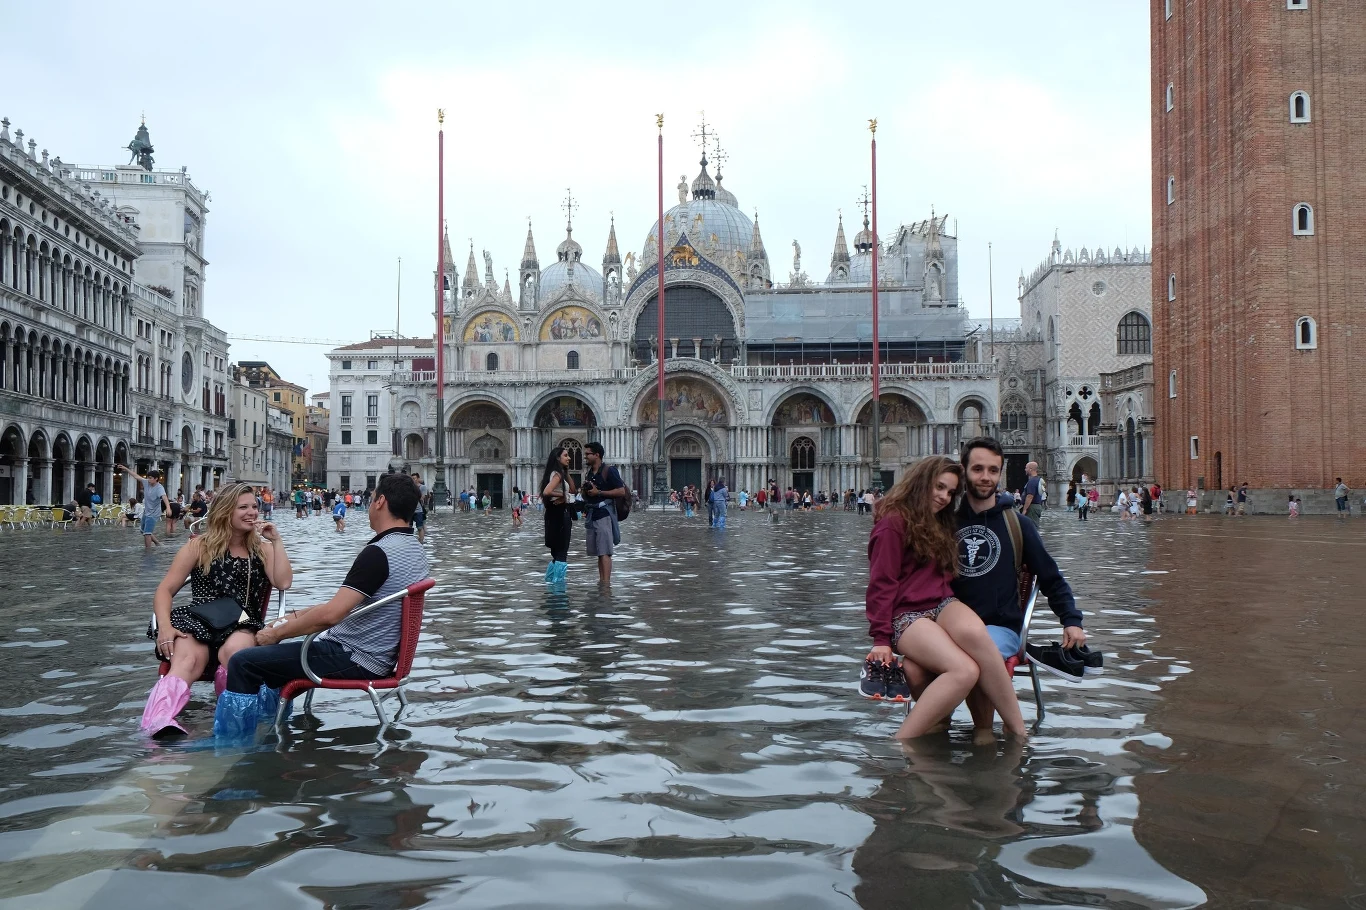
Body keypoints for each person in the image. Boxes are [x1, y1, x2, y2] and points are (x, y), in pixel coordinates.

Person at [212, 472, 428, 739]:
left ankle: (234, 744)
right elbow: (342, 606)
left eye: (372, 498)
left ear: (380, 501)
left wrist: (276, 633)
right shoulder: (414, 547)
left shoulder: (378, 553)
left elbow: (332, 615)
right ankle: (267, 726)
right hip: (375, 654)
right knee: (271, 659)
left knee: (243, 662)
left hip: (354, 657)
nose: (371, 504)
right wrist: (292, 618)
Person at [910, 437, 1087, 732]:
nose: (985, 477)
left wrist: (1071, 620)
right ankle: (938, 727)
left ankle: (984, 735)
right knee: (912, 668)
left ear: (1000, 473)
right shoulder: (943, 523)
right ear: (963, 470)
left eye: (993, 470)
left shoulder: (1019, 525)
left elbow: (1051, 577)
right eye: (978, 469)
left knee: (980, 654)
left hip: (999, 628)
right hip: (946, 628)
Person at [863, 455, 1028, 740]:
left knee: (978, 637)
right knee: (965, 670)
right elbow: (881, 583)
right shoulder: (892, 523)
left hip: (942, 603)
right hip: (907, 615)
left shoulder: (941, 520)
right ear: (921, 482)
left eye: (950, 492)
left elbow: (982, 508)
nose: (943, 497)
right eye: (938, 487)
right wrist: (880, 639)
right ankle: (903, 741)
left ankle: (1018, 731)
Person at [139, 483, 293, 738]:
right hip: (199, 620)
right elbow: (164, 590)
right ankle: (160, 722)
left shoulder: (262, 549)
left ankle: (229, 721)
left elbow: (283, 582)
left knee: (234, 654)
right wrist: (165, 627)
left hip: (242, 621)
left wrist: (276, 541)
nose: (252, 512)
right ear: (225, 511)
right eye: (243, 507)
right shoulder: (199, 546)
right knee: (187, 659)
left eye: (254, 506)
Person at [582, 441, 626, 584]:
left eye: (588, 454)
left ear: (597, 455)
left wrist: (599, 492)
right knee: (598, 553)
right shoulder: (590, 473)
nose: (585, 457)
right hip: (592, 515)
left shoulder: (610, 471)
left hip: (605, 514)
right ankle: (601, 582)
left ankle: (606, 586)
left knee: (605, 551)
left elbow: (621, 491)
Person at [541, 447, 577, 584]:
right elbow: (547, 492)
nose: (569, 458)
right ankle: (559, 590)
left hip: (553, 514)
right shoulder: (557, 475)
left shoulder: (557, 473)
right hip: (561, 514)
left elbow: (573, 489)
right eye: (566, 455)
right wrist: (563, 495)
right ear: (557, 458)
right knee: (562, 551)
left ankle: (551, 584)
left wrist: (566, 472)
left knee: (556, 554)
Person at [117, 465, 168, 550]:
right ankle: (157, 543)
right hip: (146, 511)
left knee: (147, 533)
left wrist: (168, 508)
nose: (148, 479)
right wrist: (126, 469)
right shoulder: (146, 482)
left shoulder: (159, 488)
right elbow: (136, 476)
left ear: (156, 479)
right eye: (148, 478)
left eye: (151, 478)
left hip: (154, 513)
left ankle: (148, 551)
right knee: (142, 530)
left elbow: (164, 497)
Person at [409, 473, 427, 542]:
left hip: (418, 510)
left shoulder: (422, 487)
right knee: (408, 527)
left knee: (420, 527)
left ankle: (421, 541)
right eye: (412, 478)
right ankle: (409, 541)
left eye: (414, 478)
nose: (413, 480)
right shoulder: (409, 487)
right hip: (410, 510)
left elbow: (422, 498)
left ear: (418, 479)